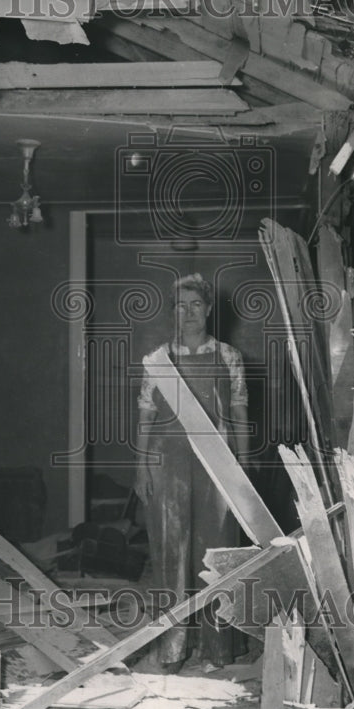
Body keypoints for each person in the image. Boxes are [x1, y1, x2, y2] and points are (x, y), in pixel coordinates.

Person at [134, 273, 250, 672]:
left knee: (216, 551)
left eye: (196, 304)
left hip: (217, 463)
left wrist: (242, 467)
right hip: (168, 465)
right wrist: (141, 467)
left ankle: (217, 648)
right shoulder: (158, 360)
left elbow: (239, 413)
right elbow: (145, 417)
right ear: (172, 312)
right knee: (171, 553)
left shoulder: (229, 356)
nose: (188, 313)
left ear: (209, 309)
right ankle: (172, 647)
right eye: (180, 306)